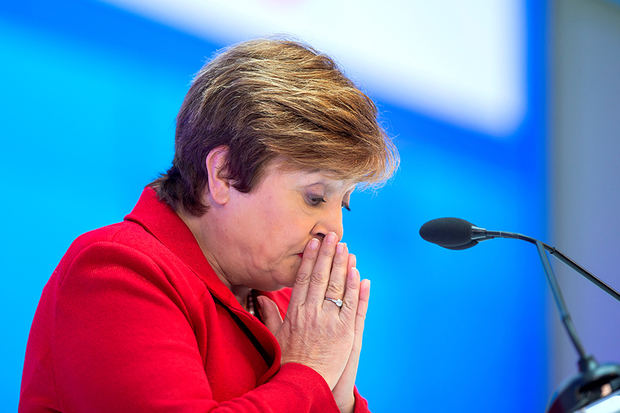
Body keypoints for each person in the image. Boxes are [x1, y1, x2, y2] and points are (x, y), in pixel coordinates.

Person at [19, 39, 399, 413]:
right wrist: (308, 374)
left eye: (344, 204)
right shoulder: (115, 270)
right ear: (223, 173)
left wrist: (340, 401)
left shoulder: (287, 307)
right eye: (315, 197)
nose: (334, 231)